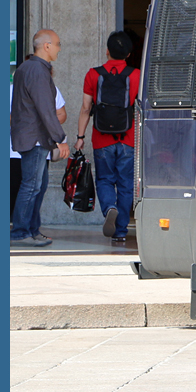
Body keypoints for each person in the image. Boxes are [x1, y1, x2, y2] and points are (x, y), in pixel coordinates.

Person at [75, 31, 140, 245]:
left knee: (104, 179)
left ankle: (109, 207)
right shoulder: (136, 75)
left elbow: (86, 108)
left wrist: (80, 136)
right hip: (128, 138)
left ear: (107, 51)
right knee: (125, 184)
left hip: (102, 138)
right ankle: (121, 230)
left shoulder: (93, 75)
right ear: (129, 54)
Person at [10, 29, 70, 247]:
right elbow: (46, 109)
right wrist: (60, 138)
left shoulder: (27, 68)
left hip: (32, 137)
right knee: (32, 185)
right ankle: (20, 232)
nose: (59, 49)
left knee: (39, 185)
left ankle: (32, 230)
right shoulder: (36, 70)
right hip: (34, 138)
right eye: (57, 44)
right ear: (46, 46)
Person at [10, 71, 67, 218]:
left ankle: (30, 228)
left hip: (41, 147)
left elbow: (61, 114)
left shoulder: (50, 90)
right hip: (14, 150)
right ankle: (21, 229)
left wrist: (46, 122)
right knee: (21, 188)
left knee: (38, 189)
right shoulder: (11, 90)